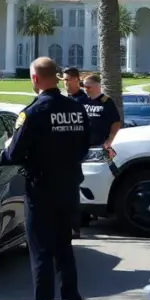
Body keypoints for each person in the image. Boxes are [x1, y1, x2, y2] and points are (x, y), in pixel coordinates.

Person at [4, 57, 90, 300]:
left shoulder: (34, 112)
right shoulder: (76, 109)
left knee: (40, 251)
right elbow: (86, 146)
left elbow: (13, 154)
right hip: (68, 188)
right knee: (64, 248)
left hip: (42, 190)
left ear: (35, 78)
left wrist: (7, 146)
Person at [57, 66, 89, 239]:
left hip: (77, 154)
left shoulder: (85, 101)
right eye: (64, 80)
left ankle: (75, 227)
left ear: (77, 79)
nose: (66, 83)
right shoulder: (62, 101)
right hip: (62, 154)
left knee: (73, 193)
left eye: (68, 80)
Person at [83, 74, 122, 155]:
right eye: (84, 87)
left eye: (88, 87)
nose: (85, 89)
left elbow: (116, 123)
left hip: (101, 144)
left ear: (98, 86)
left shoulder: (106, 101)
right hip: (85, 143)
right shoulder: (84, 101)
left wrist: (110, 141)